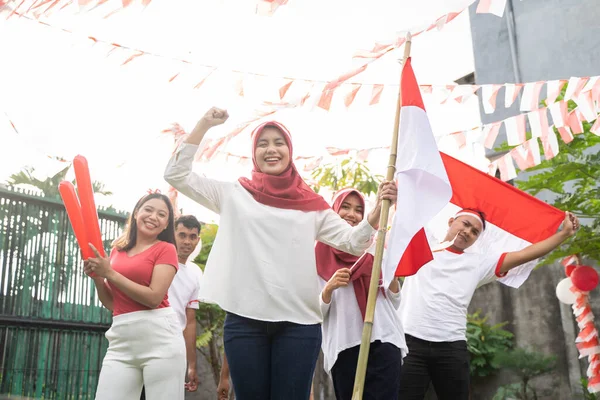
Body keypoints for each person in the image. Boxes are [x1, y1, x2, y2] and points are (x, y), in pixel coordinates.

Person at [164, 107, 397, 400]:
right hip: (245, 321)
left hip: (298, 325)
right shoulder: (234, 194)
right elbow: (175, 174)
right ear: (254, 153)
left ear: (289, 151)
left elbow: (352, 242)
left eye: (278, 143)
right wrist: (203, 125)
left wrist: (374, 216)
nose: (271, 149)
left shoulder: (311, 205)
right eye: (263, 143)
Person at [397, 208, 580, 400]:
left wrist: (564, 234)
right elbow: (405, 213)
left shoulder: (479, 263)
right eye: (465, 224)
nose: (468, 232)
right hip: (410, 342)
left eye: (475, 231)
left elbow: (525, 254)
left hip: (451, 346)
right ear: (451, 221)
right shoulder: (423, 245)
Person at [84, 192, 185, 400]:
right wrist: (97, 277)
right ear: (137, 212)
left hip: (160, 340)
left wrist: (109, 273)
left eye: (161, 214)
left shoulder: (166, 249)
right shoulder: (116, 251)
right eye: (148, 209)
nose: (153, 216)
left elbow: (153, 297)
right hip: (122, 341)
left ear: (166, 224)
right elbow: (113, 303)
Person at [317, 188, 406, 400]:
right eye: (345, 207)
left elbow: (394, 301)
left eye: (358, 210)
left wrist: (390, 274)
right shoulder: (317, 252)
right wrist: (328, 288)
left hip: (384, 337)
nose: (352, 214)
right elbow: (314, 312)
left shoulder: (376, 245)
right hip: (345, 343)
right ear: (333, 212)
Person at [169, 215, 204, 392]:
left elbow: (190, 322)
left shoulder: (196, 273)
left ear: (198, 240)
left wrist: (191, 365)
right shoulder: (158, 259)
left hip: (173, 346)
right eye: (182, 235)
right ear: (172, 234)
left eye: (192, 237)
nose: (187, 241)